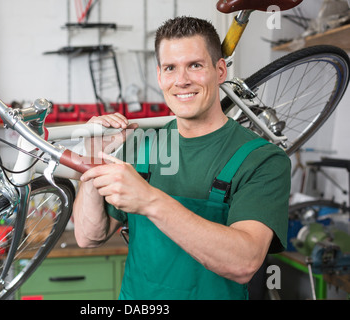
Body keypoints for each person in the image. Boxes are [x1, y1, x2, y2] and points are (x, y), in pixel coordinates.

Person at [72, 16, 291, 300]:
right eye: (170, 68)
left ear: (220, 70)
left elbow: (244, 263)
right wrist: (94, 159)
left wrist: (150, 200)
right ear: (160, 76)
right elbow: (89, 237)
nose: (182, 81)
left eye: (195, 65)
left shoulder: (262, 159)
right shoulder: (141, 146)